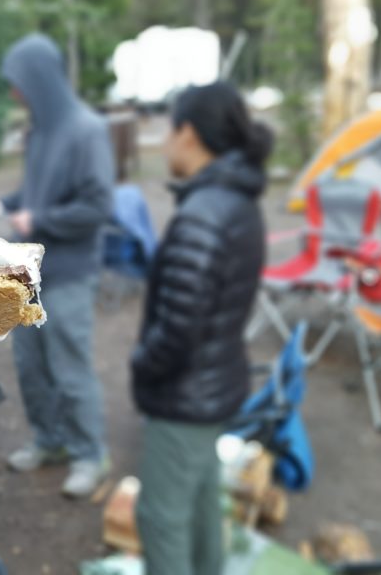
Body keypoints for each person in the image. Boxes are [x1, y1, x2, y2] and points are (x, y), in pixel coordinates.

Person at [130, 82, 271, 575]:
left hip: (185, 395)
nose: (166, 144)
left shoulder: (203, 214)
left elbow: (178, 330)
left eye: (170, 131)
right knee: (202, 502)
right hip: (216, 381)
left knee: (160, 518)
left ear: (187, 133)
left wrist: (142, 364)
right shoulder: (237, 200)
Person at [0, 33, 113, 498]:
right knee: (31, 364)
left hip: (70, 272)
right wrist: (1, 202)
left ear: (40, 80)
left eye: (18, 83)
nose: (14, 92)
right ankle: (50, 441)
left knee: (70, 367)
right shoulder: (39, 131)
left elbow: (97, 206)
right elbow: (33, 195)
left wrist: (39, 219)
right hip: (28, 272)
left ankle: (89, 454)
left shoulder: (86, 130)